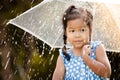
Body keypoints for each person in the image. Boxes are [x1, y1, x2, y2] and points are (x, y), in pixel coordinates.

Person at [52, 5, 111, 80]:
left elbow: (107, 73)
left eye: (82, 30)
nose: (77, 35)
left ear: (90, 30)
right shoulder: (64, 56)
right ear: (66, 33)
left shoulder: (97, 48)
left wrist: (86, 58)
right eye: (72, 31)